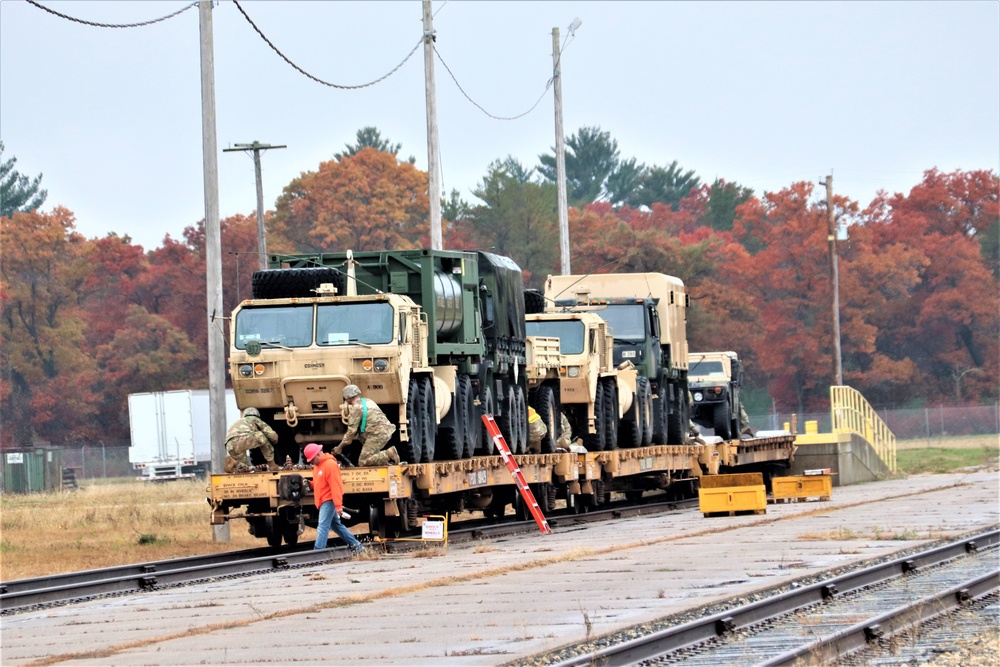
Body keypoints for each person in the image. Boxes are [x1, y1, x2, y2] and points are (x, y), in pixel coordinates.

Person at [304, 443, 364, 554]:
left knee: (322, 526)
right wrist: (310, 484)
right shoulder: (318, 466)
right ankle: (357, 546)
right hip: (323, 500)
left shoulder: (330, 465)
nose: (311, 462)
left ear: (318, 454)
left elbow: (336, 486)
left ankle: (318, 552)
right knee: (337, 526)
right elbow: (321, 482)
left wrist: (337, 505)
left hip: (328, 500)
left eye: (312, 459)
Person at [333, 385, 400, 466]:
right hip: (385, 431)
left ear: (347, 397)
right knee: (371, 456)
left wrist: (339, 448)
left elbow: (350, 433)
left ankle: (388, 454)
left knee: (363, 462)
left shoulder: (356, 409)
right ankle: (387, 464)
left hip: (376, 434)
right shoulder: (368, 401)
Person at [224, 407, 280, 473]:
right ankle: (272, 465)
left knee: (246, 468)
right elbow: (272, 435)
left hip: (229, 444)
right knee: (262, 436)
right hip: (243, 438)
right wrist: (274, 441)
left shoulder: (239, 421)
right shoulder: (255, 419)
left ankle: (233, 463)